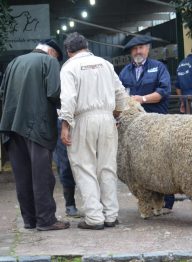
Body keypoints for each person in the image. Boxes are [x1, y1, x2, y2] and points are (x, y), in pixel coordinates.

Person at [0, 39, 70, 231]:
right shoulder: (49, 62)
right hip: (37, 127)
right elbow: (55, 92)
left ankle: (30, 220)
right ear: (51, 53)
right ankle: (46, 220)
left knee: (22, 176)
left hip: (11, 127)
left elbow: (2, 92)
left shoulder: (14, 63)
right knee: (42, 176)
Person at [60, 32, 127, 230]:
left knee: (84, 167)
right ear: (87, 46)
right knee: (107, 167)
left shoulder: (69, 67)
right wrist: (115, 115)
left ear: (68, 51)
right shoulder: (105, 64)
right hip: (107, 118)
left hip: (82, 120)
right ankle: (110, 215)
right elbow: (120, 93)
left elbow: (68, 99)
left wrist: (65, 125)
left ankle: (94, 217)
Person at [119, 35, 172, 212]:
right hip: (136, 128)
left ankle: (168, 202)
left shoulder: (158, 68)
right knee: (143, 164)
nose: (138, 51)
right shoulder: (125, 72)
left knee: (163, 160)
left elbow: (164, 92)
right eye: (134, 49)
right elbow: (120, 96)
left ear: (148, 49)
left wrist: (142, 99)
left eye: (141, 47)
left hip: (158, 123)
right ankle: (149, 201)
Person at [53, 119, 80, 217]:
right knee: (65, 163)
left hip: (83, 118)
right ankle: (70, 204)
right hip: (62, 118)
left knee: (89, 164)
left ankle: (94, 204)